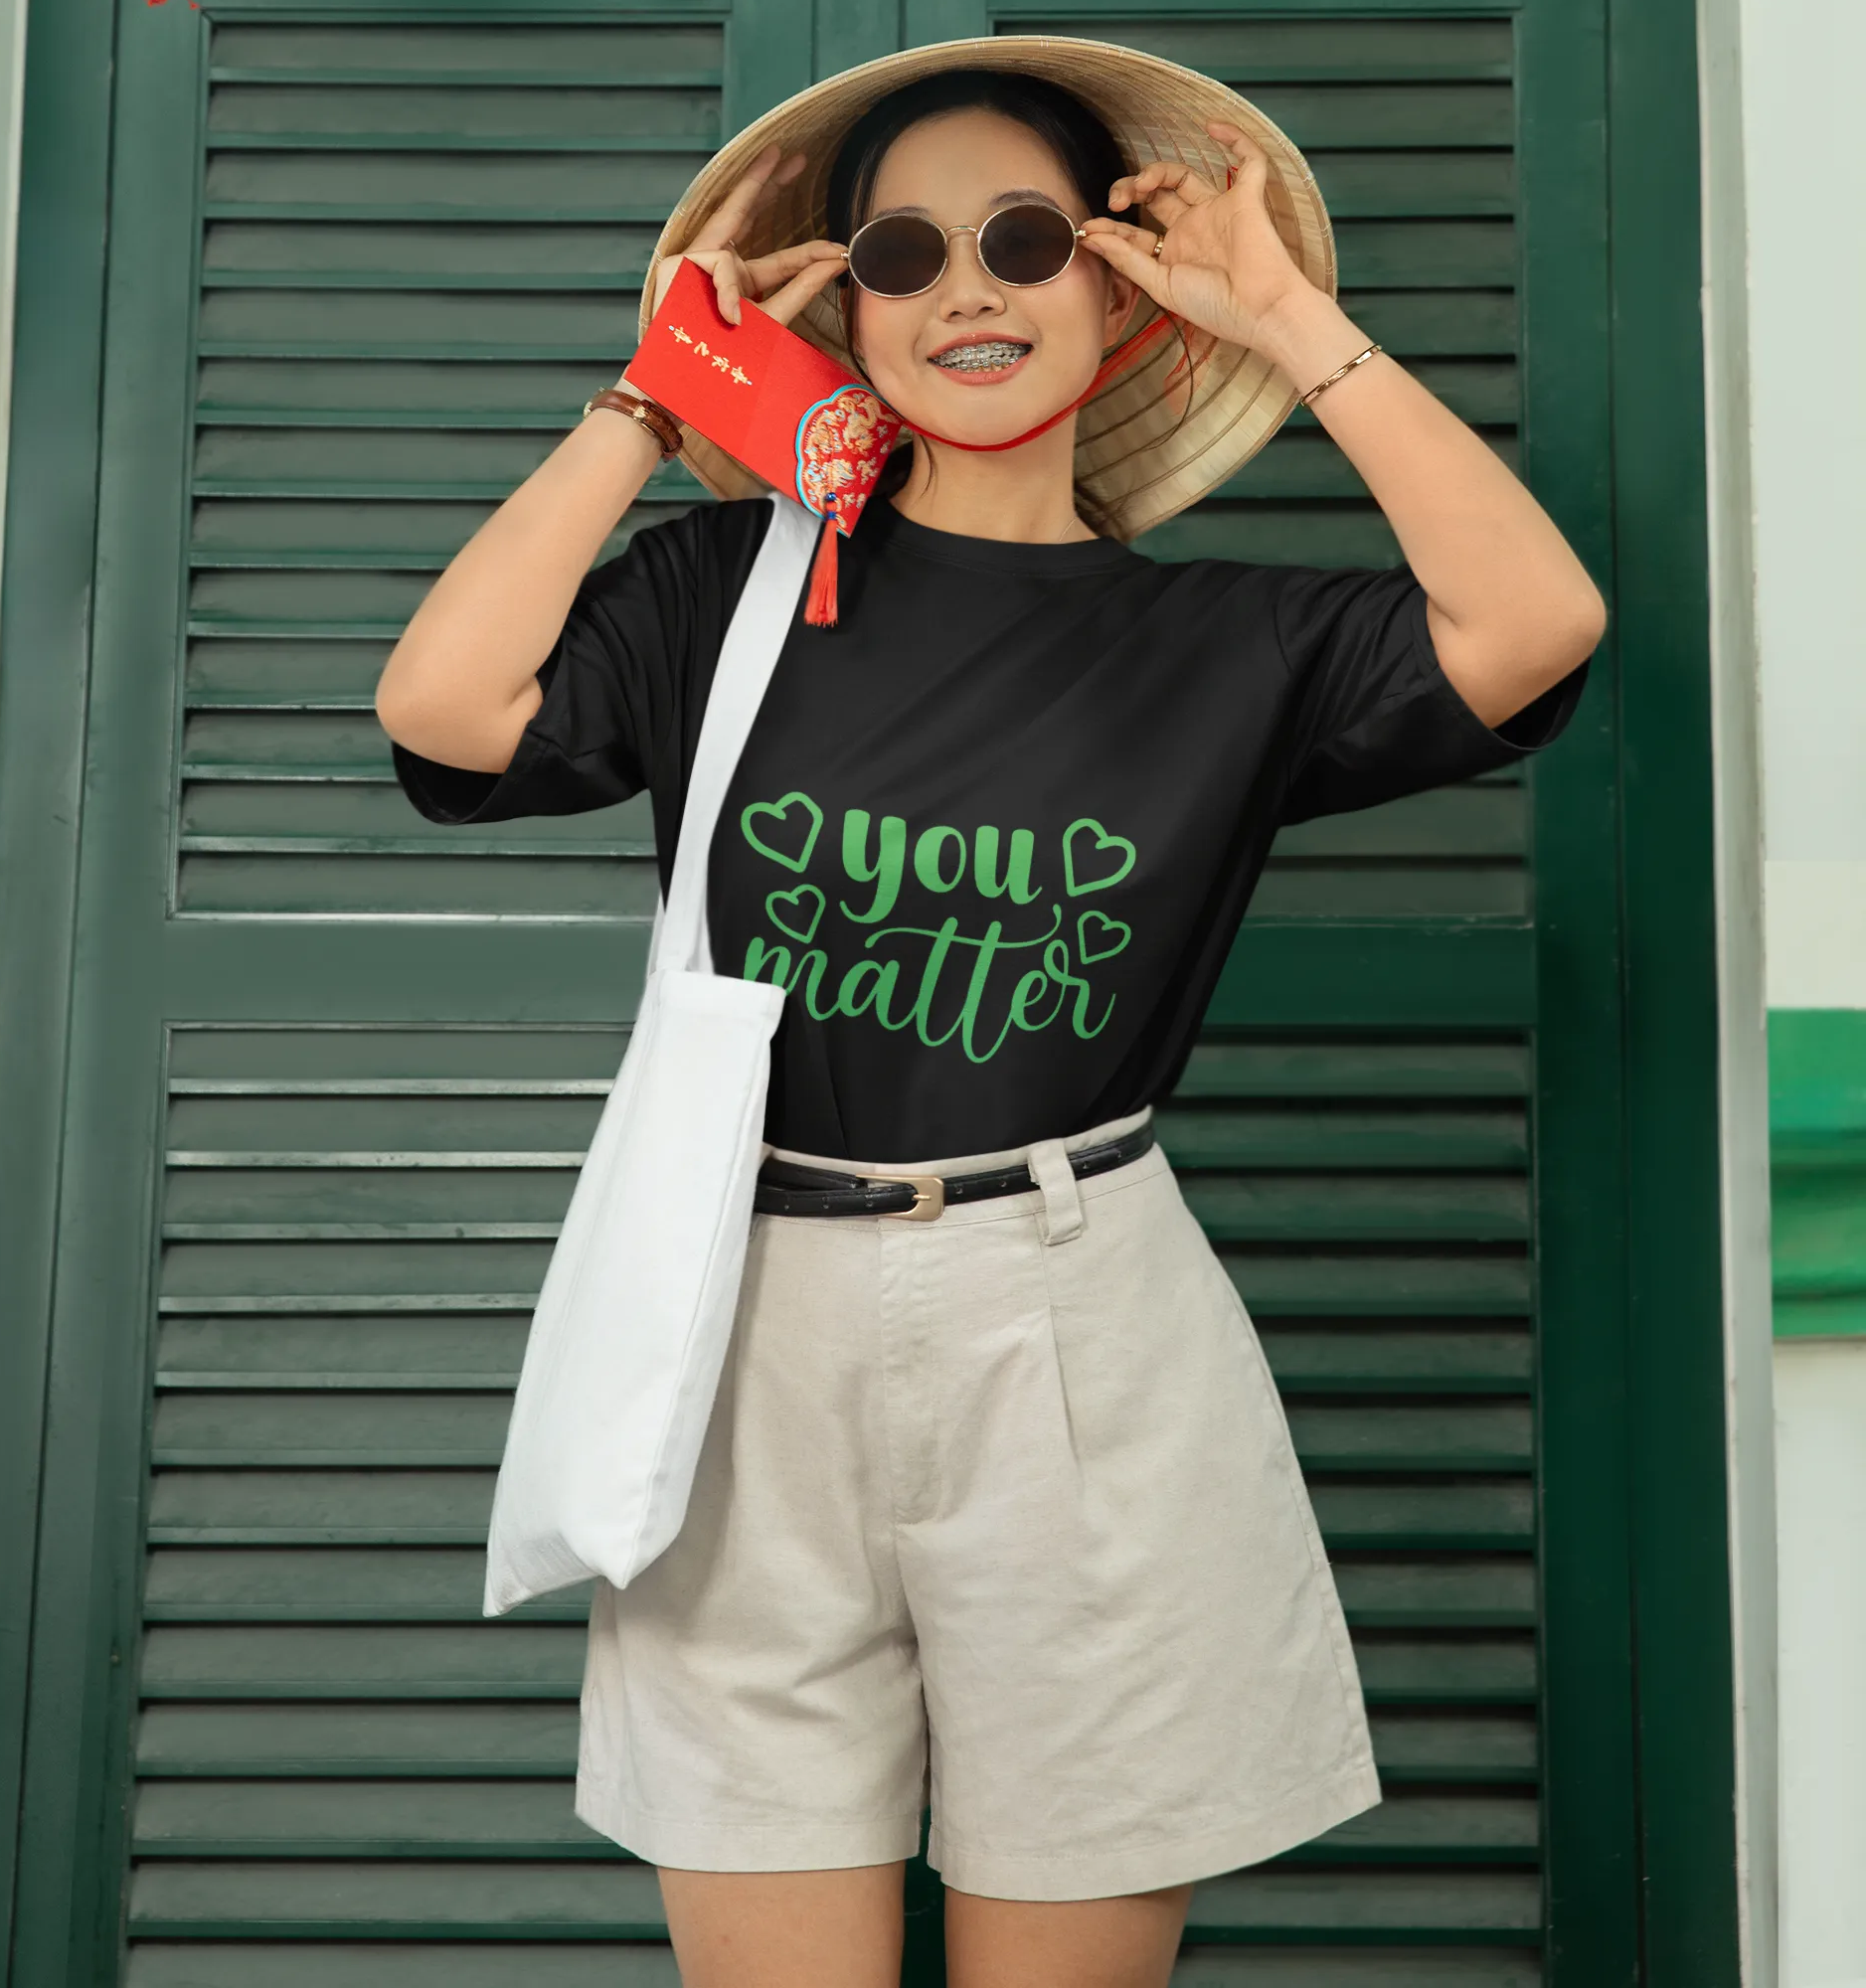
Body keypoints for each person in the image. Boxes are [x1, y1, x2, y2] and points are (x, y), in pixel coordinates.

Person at [375, 40, 1603, 1988]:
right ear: (847, 312)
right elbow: (443, 709)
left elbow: (1534, 624)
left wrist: (1291, 322)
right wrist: (651, 399)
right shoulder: (726, 593)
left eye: (1027, 241)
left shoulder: (1230, 643)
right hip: (746, 1326)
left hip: (1077, 1320)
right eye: (902, 252)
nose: (967, 289)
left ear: (1120, 296)